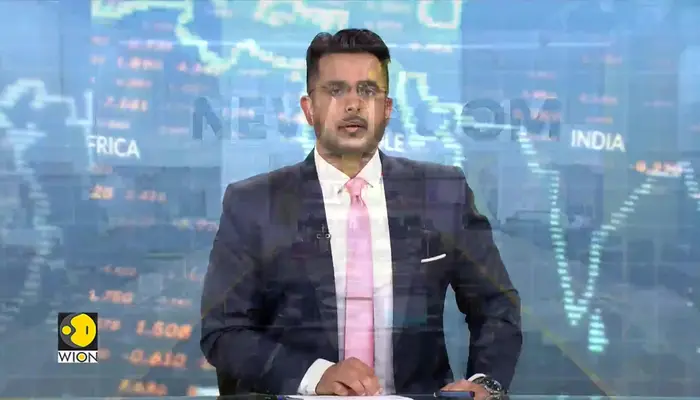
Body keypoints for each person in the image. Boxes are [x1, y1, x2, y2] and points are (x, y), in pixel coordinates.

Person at [201, 29, 522, 399]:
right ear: (309, 108)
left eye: (368, 91)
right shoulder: (254, 203)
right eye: (336, 90)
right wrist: (315, 376)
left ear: (387, 109)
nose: (353, 104)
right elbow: (223, 331)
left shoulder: (442, 192)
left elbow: (496, 305)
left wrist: (485, 382)